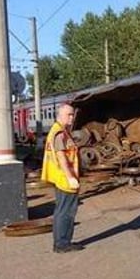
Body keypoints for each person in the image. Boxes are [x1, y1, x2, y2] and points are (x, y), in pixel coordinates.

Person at [40, 104, 83, 253]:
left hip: (61, 177)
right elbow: (61, 158)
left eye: (72, 114)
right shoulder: (59, 134)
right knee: (66, 212)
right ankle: (62, 244)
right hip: (64, 178)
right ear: (59, 116)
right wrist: (70, 177)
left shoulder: (60, 131)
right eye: (68, 115)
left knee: (62, 210)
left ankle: (61, 242)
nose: (72, 118)